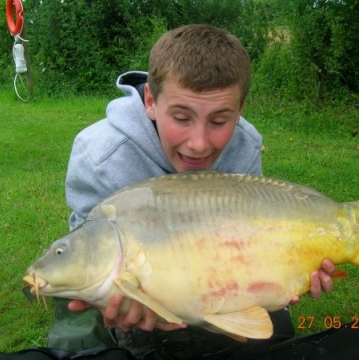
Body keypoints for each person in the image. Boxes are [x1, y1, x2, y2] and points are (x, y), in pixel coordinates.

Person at [63, 24, 335, 359]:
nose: (198, 143)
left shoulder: (245, 143)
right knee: (97, 332)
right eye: (181, 116)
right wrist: (120, 303)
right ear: (150, 100)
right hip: (137, 282)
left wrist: (292, 263)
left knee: (270, 340)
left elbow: (254, 233)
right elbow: (88, 251)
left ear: (240, 108)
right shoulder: (100, 156)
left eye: (220, 121)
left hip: (211, 274)